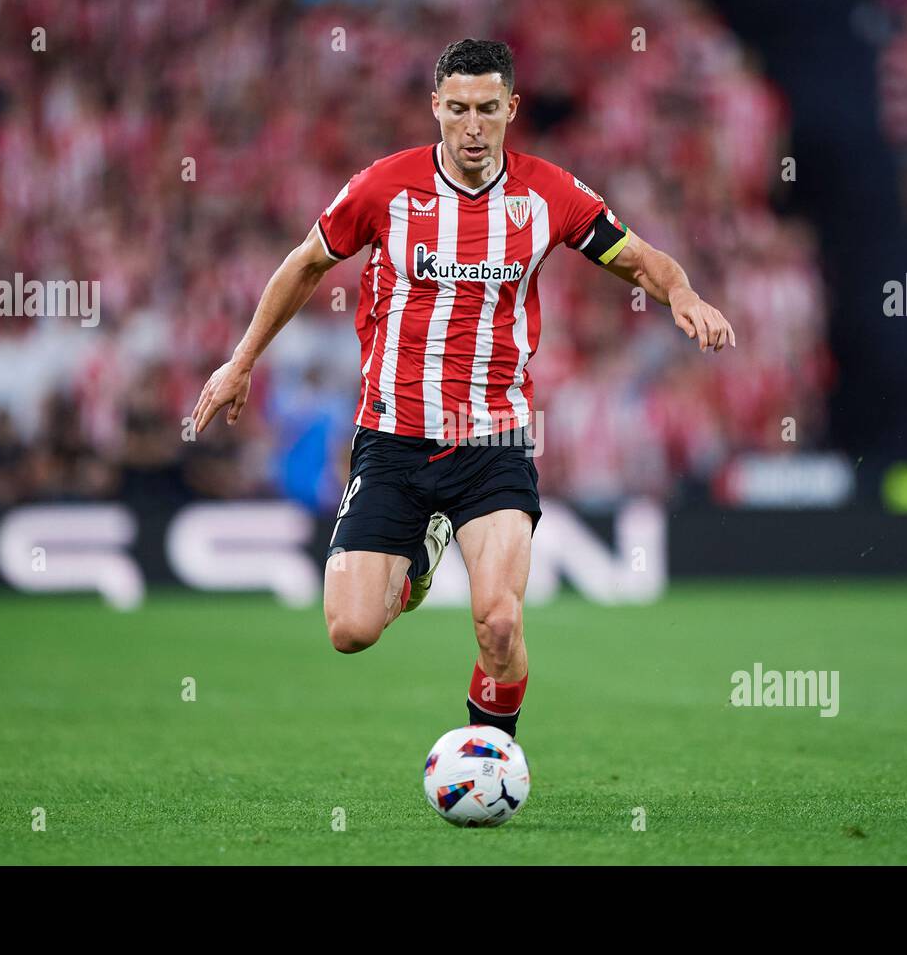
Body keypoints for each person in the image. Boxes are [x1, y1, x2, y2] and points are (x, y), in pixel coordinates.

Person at [190, 38, 735, 738]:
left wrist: (683, 294)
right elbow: (304, 264)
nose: (472, 127)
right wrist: (241, 361)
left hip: (494, 438)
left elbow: (639, 256)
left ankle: (491, 759)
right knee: (351, 630)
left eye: (486, 110)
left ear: (511, 108)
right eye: (456, 110)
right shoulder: (383, 187)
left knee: (500, 623)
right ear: (435, 108)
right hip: (392, 438)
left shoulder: (549, 194)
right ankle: (418, 560)